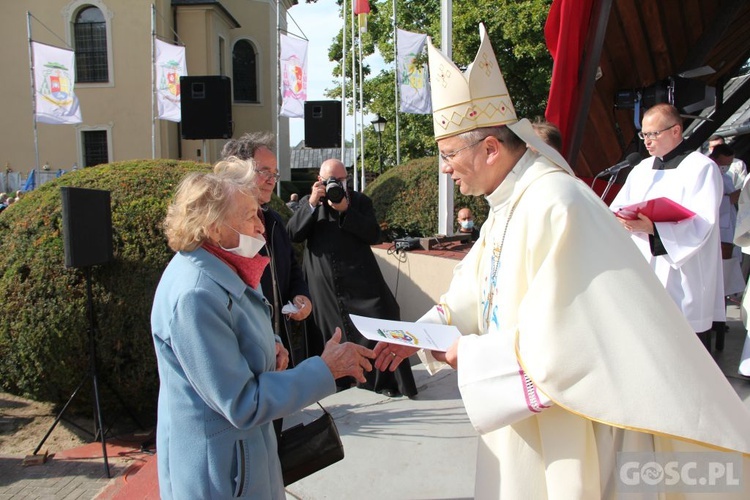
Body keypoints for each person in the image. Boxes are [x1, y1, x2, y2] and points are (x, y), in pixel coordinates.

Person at [375, 24, 750, 499]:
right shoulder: (507, 202)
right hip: (523, 421)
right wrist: (421, 337)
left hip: (571, 424)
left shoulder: (556, 203)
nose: (444, 168)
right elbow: (473, 291)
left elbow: (575, 341)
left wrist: (468, 355)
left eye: (449, 154)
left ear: (491, 149)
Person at [150, 164, 374, 499]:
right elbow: (241, 402)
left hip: (242, 463)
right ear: (213, 226)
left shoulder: (223, 266)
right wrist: (324, 370)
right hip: (221, 478)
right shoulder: (195, 295)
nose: (260, 227)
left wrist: (273, 345)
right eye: (249, 216)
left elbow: (242, 330)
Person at [287, 159, 417, 398]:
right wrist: (313, 203)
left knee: (383, 316)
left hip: (361, 278)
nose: (336, 184)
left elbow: (374, 235)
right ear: (320, 180)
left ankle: (383, 381)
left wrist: (346, 210)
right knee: (330, 332)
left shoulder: (360, 201)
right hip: (324, 283)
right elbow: (293, 234)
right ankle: (338, 382)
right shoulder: (309, 203)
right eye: (330, 180)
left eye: (341, 179)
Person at [611, 103, 724, 351]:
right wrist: (621, 219)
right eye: (644, 134)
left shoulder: (701, 167)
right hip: (643, 268)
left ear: (676, 130)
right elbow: (619, 207)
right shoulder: (641, 169)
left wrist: (654, 229)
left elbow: (703, 223)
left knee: (683, 350)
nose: (647, 142)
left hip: (683, 272)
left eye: (654, 134)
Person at [220, 132, 312, 364]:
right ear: (239, 170)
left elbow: (291, 266)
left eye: (275, 174)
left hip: (279, 344)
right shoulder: (224, 231)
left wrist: (301, 296)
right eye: (264, 172)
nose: (272, 180)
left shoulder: (274, 220)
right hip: (245, 355)